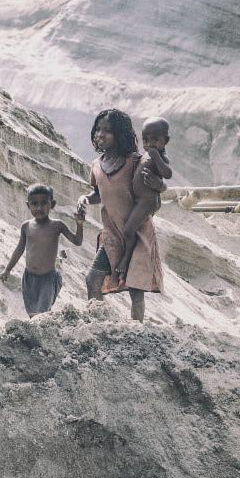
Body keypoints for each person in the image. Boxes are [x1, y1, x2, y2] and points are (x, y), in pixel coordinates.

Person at [79, 109, 166, 322]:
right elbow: (99, 193)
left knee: (136, 289)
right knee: (93, 279)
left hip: (138, 233)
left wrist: (160, 185)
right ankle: (97, 324)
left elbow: (154, 194)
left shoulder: (135, 162)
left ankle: (136, 330)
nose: (101, 134)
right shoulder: (96, 165)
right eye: (98, 129)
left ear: (121, 134)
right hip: (112, 235)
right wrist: (85, 199)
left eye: (108, 131)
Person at [0, 184, 85, 317]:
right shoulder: (26, 226)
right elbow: (20, 249)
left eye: (44, 203)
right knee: (32, 314)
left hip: (47, 279)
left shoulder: (57, 225)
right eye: (34, 204)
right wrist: (7, 270)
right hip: (29, 279)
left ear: (52, 204)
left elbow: (77, 241)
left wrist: (79, 224)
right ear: (28, 205)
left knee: (42, 315)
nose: (39, 208)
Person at [113, 118, 172, 288]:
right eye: (146, 140)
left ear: (165, 141)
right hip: (140, 200)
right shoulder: (144, 155)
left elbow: (167, 174)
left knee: (129, 229)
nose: (149, 144)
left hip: (148, 201)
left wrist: (156, 157)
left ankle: (126, 260)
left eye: (155, 140)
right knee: (127, 228)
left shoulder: (160, 156)